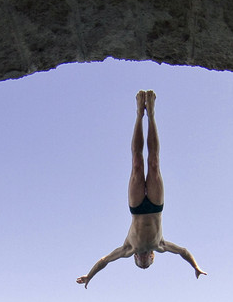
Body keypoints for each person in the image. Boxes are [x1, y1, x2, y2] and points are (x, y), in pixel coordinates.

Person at [76, 90, 207, 288]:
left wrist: (89, 276)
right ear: (153, 257)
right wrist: (195, 266)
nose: (144, 262)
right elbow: (183, 252)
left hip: (136, 207)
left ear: (135, 257)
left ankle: (139, 114)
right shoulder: (160, 245)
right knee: (153, 162)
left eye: (140, 263)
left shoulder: (128, 248)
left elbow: (104, 261)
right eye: (147, 263)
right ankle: (151, 115)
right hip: (156, 206)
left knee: (137, 163)